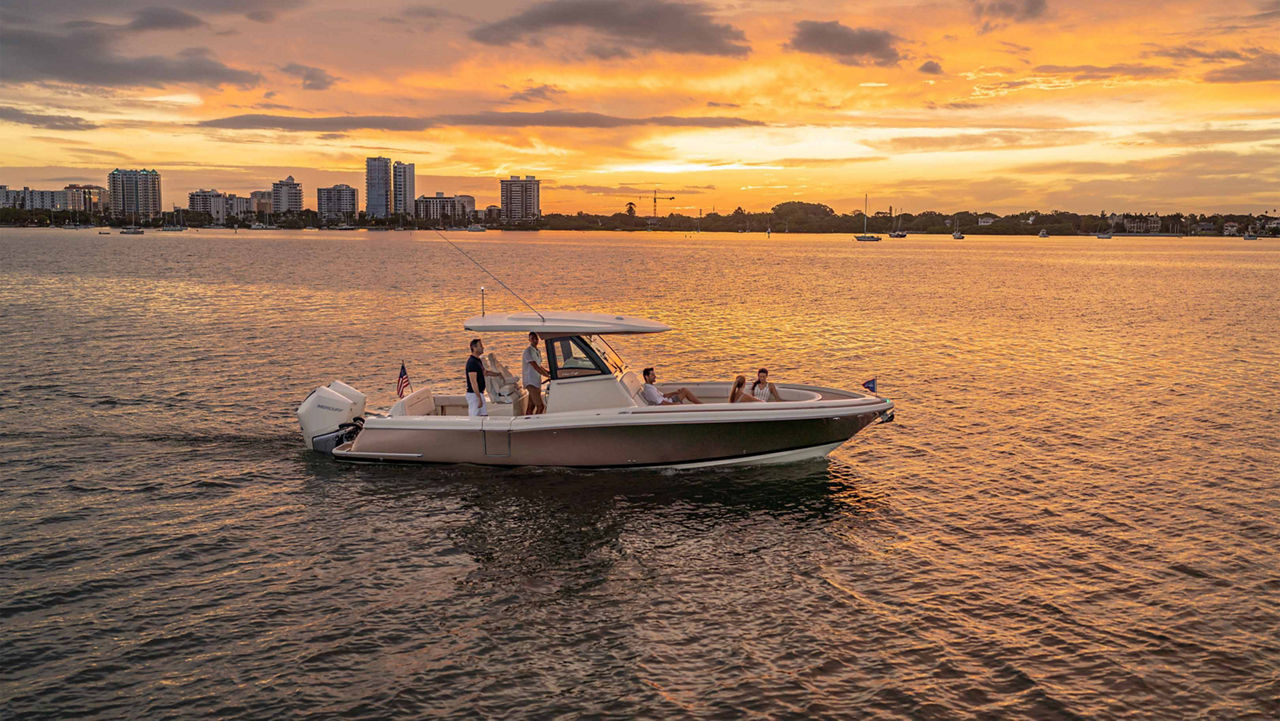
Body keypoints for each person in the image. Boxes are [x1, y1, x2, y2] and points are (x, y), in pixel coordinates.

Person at [465, 337, 502, 416]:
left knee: (484, 416)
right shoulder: (472, 363)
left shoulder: (477, 360)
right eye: (480, 346)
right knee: (474, 417)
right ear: (474, 348)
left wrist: (498, 374)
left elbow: (485, 372)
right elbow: (473, 382)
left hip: (479, 394)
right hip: (474, 395)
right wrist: (478, 398)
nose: (483, 347)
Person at [522, 332, 551, 414]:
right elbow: (535, 366)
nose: (535, 340)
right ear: (529, 340)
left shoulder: (537, 351)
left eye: (536, 338)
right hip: (530, 382)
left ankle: (527, 423)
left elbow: (539, 366)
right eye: (533, 339)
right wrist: (547, 376)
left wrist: (548, 372)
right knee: (540, 406)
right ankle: (536, 423)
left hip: (536, 381)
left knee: (531, 406)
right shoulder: (528, 351)